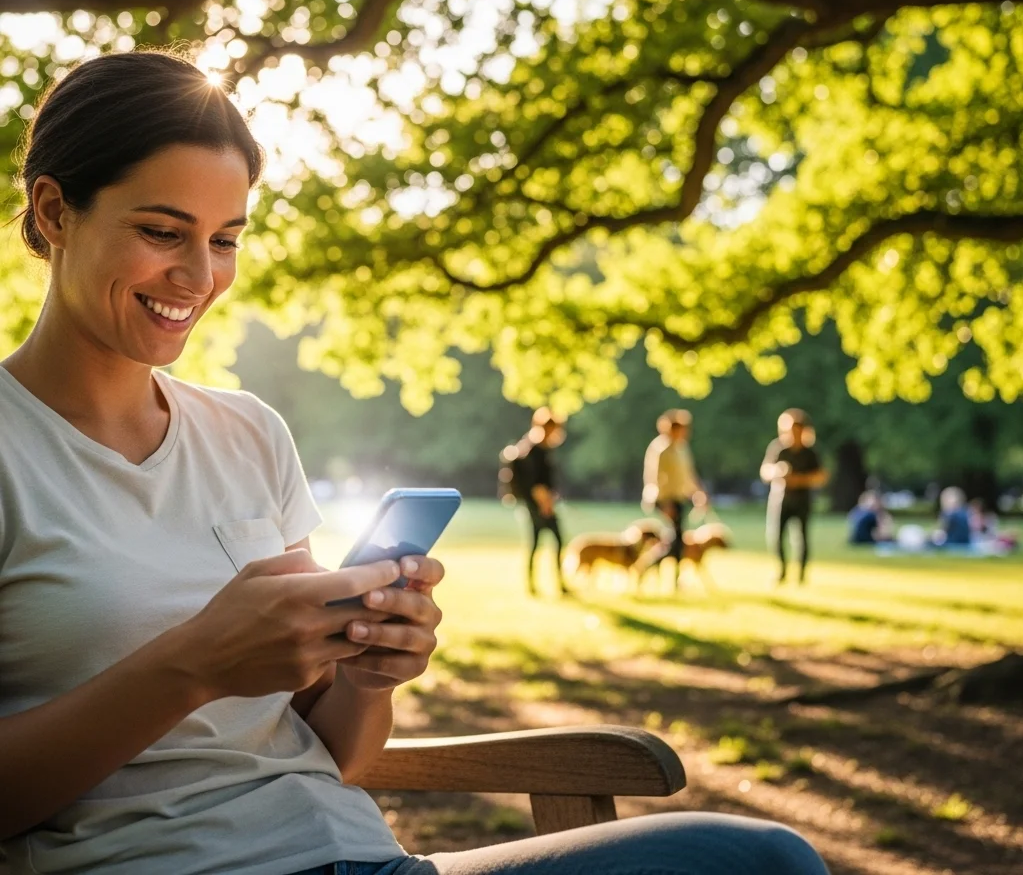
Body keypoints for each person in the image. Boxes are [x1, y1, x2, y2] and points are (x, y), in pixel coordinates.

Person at [0, 51, 830, 875]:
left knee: (761, 859)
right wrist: (192, 665)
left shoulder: (247, 433)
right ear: (54, 211)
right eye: (161, 231)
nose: (199, 275)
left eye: (225, 240)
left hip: (368, 862)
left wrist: (367, 678)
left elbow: (335, 754)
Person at [760, 409, 828, 584]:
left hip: (802, 499)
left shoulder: (810, 452)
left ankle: (801, 575)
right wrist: (778, 471)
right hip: (781, 499)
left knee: (802, 538)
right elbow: (765, 471)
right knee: (776, 537)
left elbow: (821, 476)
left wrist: (800, 480)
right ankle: (782, 571)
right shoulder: (779, 449)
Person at [642, 409, 707, 590]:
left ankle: (675, 578)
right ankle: (649, 566)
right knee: (674, 540)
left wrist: (698, 493)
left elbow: (688, 475)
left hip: (679, 498)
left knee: (677, 540)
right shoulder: (660, 449)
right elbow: (655, 478)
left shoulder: (681, 448)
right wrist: (665, 504)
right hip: (665, 500)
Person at [511, 407, 568, 596]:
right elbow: (536, 484)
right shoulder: (535, 450)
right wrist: (546, 505)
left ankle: (552, 583)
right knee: (542, 543)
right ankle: (536, 584)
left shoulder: (539, 448)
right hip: (539, 506)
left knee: (543, 543)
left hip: (541, 504)